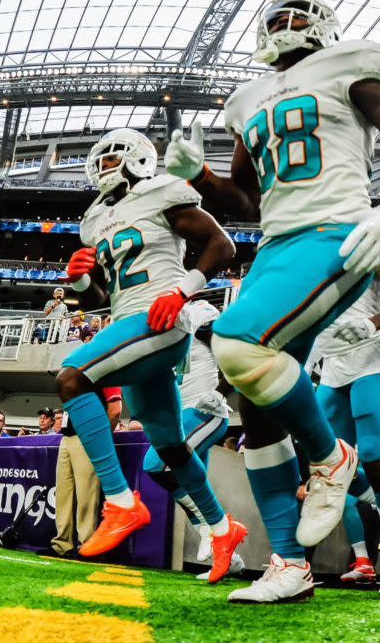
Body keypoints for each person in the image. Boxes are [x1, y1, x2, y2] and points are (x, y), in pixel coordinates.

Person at [163, 0, 380, 603]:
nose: (285, 26)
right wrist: (197, 177)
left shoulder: (349, 65)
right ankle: (289, 565)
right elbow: (248, 199)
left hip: (335, 231)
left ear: (325, 27)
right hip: (276, 247)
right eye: (276, 18)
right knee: (255, 410)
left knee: (236, 341)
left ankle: (328, 455)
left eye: (299, 16)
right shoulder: (247, 101)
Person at [54, 126, 244, 582]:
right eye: (98, 159)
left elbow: (223, 245)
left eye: (111, 156)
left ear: (137, 158)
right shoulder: (96, 217)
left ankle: (121, 503)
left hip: (160, 318)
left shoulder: (161, 191)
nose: (102, 166)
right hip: (128, 322)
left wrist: (182, 291)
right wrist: (81, 282)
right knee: (172, 447)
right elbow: (104, 293)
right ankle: (221, 528)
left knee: (71, 379)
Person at [306, 259, 380, 595]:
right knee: (331, 464)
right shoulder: (309, 252)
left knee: (373, 456)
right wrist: (305, 362)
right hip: (331, 367)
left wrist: (372, 324)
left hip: (370, 358)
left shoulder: (367, 247)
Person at [141, 300, 244, 581]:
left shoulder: (197, 314)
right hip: (184, 414)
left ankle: (216, 528)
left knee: (155, 465)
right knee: (195, 485)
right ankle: (229, 559)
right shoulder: (169, 332)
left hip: (204, 411)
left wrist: (222, 392)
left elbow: (233, 353)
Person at [45, 388, 123, 559]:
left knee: (86, 496)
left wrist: (100, 439)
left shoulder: (103, 374)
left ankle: (86, 546)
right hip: (66, 438)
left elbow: (115, 409)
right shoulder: (77, 377)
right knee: (63, 496)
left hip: (87, 438)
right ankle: (61, 544)